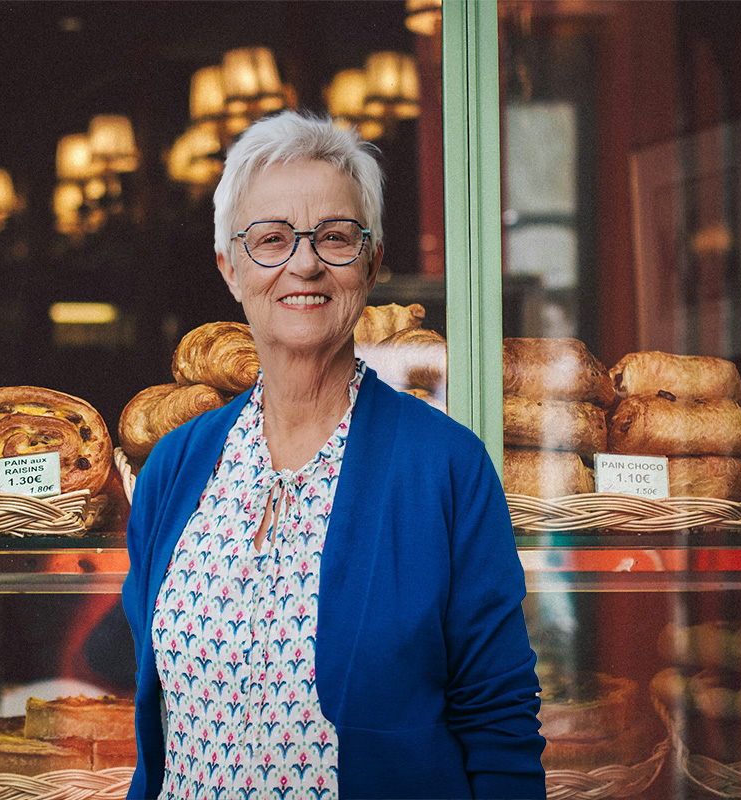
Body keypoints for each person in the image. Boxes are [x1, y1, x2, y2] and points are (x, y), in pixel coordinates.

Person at [121, 111, 546, 800]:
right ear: (230, 269)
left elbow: (498, 724)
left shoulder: (445, 467)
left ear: (372, 264)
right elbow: (161, 730)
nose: (305, 262)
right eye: (271, 239)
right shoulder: (172, 470)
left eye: (336, 237)